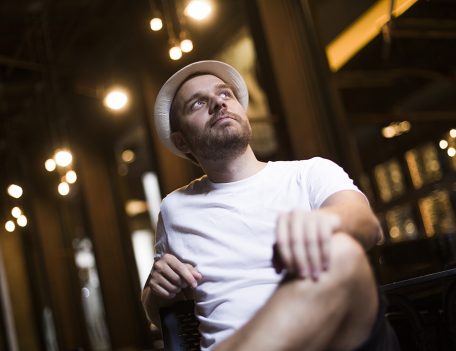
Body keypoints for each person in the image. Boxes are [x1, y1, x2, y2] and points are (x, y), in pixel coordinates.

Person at [141, 60, 400, 351]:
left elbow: (367, 225)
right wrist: (156, 292)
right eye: (198, 103)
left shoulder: (310, 173)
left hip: (329, 340)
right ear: (182, 141)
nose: (218, 103)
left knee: (343, 252)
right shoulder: (175, 208)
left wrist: (324, 223)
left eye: (225, 94)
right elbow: (158, 314)